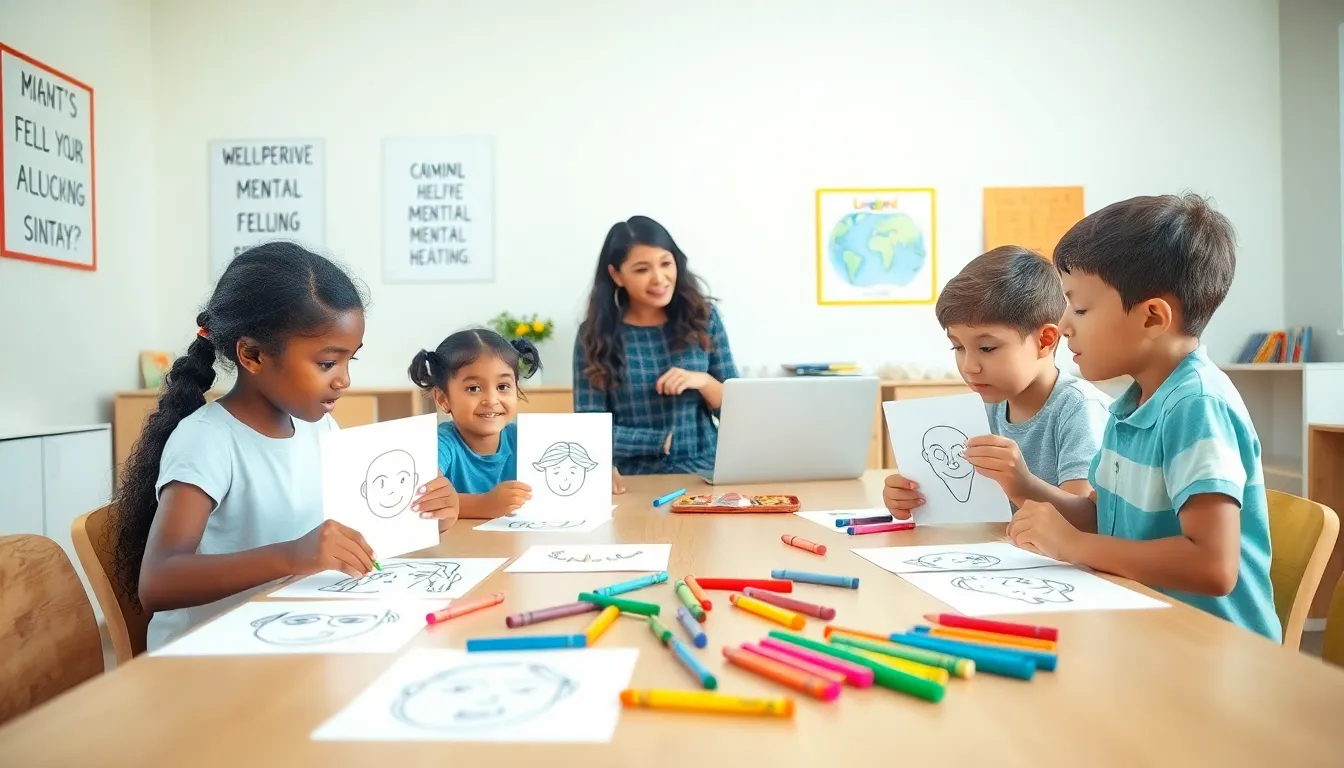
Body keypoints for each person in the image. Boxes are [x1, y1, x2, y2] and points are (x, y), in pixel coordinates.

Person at [112, 243, 459, 651]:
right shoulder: (206, 441)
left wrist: (424, 515)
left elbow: (342, 533)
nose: (344, 380)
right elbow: (157, 582)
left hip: (291, 634)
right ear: (252, 355)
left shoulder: (319, 427)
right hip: (211, 658)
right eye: (327, 363)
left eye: (349, 361)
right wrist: (294, 555)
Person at [1007, 193, 1281, 642]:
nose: (1065, 325)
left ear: (1152, 317)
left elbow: (1213, 566)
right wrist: (1025, 488)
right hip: (1147, 629)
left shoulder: (1196, 405)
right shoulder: (1131, 405)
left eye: (1080, 308)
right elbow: (1105, 519)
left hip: (1212, 648)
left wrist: (1074, 545)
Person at [883, 246, 1111, 517]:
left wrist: (1024, 485)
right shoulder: (983, 409)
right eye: (958, 347)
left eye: (987, 348)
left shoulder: (1078, 408)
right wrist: (910, 497)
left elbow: (1086, 517)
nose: (969, 366)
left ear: (1044, 341)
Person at [573, 216, 738, 491]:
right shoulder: (594, 334)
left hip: (706, 473)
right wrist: (657, 441)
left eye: (665, 263)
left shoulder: (704, 319)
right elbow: (588, 428)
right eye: (642, 269)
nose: (659, 278)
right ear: (616, 275)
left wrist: (703, 381)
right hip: (632, 479)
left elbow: (739, 411)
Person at [409, 328, 541, 518]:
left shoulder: (524, 439)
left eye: (503, 386)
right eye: (474, 388)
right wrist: (485, 505)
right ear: (443, 399)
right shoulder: (441, 444)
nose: (491, 400)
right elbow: (422, 499)